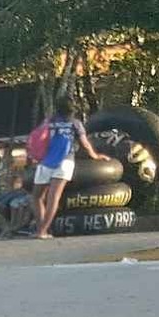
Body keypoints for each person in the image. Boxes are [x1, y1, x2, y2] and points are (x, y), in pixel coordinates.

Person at [32, 97, 102, 237]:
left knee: (37, 197)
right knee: (54, 198)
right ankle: (43, 231)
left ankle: (40, 228)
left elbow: (38, 138)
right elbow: (85, 144)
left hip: (46, 161)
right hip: (65, 161)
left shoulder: (48, 121)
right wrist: (95, 156)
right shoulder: (75, 124)